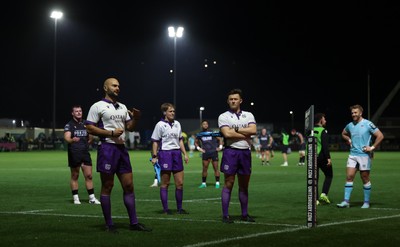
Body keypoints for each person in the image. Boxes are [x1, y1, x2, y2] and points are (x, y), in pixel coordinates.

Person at [85, 77, 151, 232]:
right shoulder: (97, 106)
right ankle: (109, 224)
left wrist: (136, 118)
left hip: (121, 149)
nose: (117, 88)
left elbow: (130, 128)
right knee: (108, 186)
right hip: (107, 149)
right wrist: (111, 132)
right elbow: (89, 127)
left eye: (118, 86)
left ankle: (134, 223)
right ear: (105, 88)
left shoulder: (123, 107)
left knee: (129, 186)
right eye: (114, 85)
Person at [218, 88, 257, 223]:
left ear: (241, 100)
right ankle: (225, 216)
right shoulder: (223, 116)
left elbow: (253, 130)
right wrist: (245, 133)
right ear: (228, 101)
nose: (233, 101)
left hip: (245, 152)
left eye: (235, 99)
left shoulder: (249, 115)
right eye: (231, 99)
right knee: (229, 183)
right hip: (231, 152)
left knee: (244, 185)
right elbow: (227, 134)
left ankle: (244, 215)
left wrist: (235, 129)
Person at [337, 104, 384, 209]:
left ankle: (366, 202)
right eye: (352, 113)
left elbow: (380, 136)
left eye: (355, 112)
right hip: (352, 155)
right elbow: (343, 133)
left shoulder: (368, 124)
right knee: (349, 177)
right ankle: (346, 201)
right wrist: (349, 140)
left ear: (360, 113)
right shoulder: (350, 125)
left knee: (365, 178)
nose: (353, 114)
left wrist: (372, 148)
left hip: (364, 155)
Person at [150, 103, 189, 215]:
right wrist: (154, 156)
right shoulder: (160, 125)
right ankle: (166, 209)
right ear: (164, 112)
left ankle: (179, 208)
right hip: (165, 154)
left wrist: (185, 154)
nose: (172, 113)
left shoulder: (177, 124)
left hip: (176, 154)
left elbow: (180, 140)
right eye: (170, 111)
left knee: (180, 183)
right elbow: (155, 141)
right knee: (165, 183)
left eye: (173, 111)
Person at [64, 105, 100, 205]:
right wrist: (72, 140)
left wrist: (88, 141)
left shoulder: (86, 124)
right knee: (75, 175)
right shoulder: (69, 125)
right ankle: (76, 198)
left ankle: (92, 198)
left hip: (85, 153)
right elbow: (67, 138)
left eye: (80, 111)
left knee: (89, 176)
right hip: (74, 153)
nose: (79, 113)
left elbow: (91, 137)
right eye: (76, 111)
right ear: (72, 113)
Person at [195, 120, 223, 189]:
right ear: (202, 125)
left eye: (206, 124)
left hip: (213, 152)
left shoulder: (212, 133)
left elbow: (220, 140)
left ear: (208, 125)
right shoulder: (199, 134)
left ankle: (217, 183)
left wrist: (220, 147)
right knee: (204, 169)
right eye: (203, 124)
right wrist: (199, 148)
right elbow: (196, 142)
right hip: (205, 153)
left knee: (216, 168)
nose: (205, 125)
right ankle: (204, 183)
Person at [313, 113, 333, 204]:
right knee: (329, 175)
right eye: (324, 119)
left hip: (312, 157)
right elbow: (325, 146)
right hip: (321, 157)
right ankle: (324, 194)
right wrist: (328, 158)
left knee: (314, 179)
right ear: (321, 120)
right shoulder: (323, 131)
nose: (325, 120)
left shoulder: (310, 131)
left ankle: (315, 199)